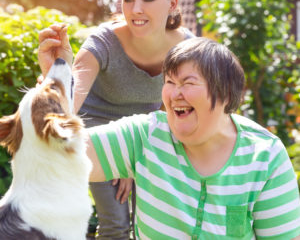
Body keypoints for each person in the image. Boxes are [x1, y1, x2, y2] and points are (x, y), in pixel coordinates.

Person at [39, 36, 300, 239]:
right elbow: (57, 152)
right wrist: (56, 81)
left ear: (226, 95)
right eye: (170, 82)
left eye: (187, 83)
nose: (175, 94)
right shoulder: (145, 136)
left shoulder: (265, 158)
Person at [38, 0, 195, 239]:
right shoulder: (103, 42)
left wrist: (137, 156)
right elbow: (72, 100)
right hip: (96, 128)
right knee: (118, 222)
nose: (136, 9)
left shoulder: (185, 47)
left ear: (172, 4)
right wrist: (55, 75)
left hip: (149, 130)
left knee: (157, 222)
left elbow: (175, 106)